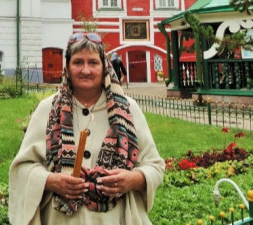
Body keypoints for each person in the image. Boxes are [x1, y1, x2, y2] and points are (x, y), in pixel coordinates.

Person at [9, 32, 164, 224]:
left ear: (104, 67)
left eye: (93, 62)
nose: (85, 70)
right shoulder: (48, 110)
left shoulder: (128, 110)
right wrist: (50, 181)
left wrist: (132, 180)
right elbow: (22, 168)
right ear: (67, 67)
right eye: (77, 62)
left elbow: (155, 167)